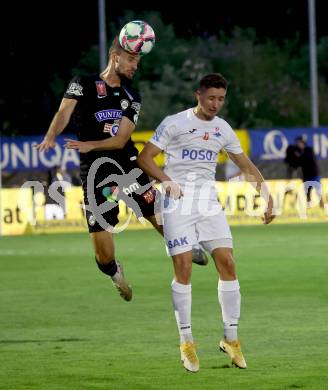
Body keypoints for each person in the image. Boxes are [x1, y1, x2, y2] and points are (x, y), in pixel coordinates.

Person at [35, 34, 208, 303]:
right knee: (103, 255)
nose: (134, 66)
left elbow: (121, 139)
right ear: (116, 57)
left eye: (137, 62)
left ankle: (188, 242)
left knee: (156, 212)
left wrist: (90, 144)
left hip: (126, 164)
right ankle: (115, 273)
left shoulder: (131, 95)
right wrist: (50, 136)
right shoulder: (83, 83)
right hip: (95, 172)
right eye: (130, 60)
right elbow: (64, 112)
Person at [137, 73, 275, 372]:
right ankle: (186, 342)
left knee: (227, 262)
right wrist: (166, 181)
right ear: (198, 95)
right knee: (184, 267)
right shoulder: (174, 122)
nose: (216, 104)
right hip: (177, 202)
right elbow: (145, 158)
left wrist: (266, 193)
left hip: (208, 203)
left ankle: (231, 338)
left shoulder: (223, 128)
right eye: (211, 97)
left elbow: (245, 165)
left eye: (221, 99)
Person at [295, 136, 324, 209]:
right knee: (307, 192)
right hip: (306, 175)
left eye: (299, 143)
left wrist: (299, 157)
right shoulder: (300, 152)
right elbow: (298, 163)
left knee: (318, 190)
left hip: (314, 174)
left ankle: (322, 205)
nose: (298, 144)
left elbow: (306, 159)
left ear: (302, 143)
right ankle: (308, 206)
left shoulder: (309, 150)